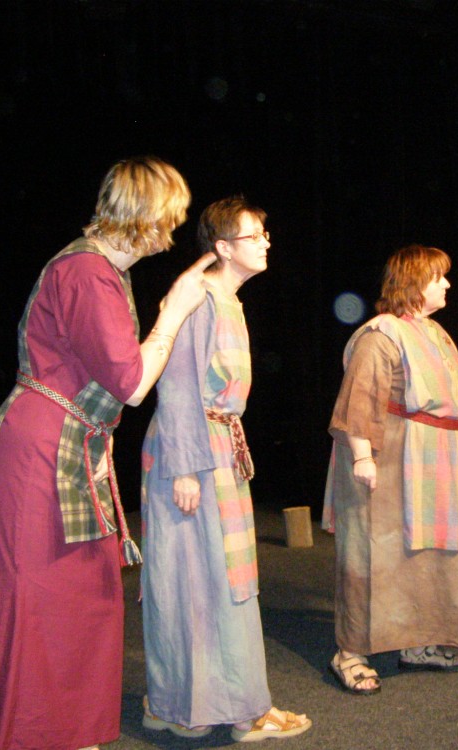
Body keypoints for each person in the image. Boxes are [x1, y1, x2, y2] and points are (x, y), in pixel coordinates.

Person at [0, 156, 216, 750]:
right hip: (41, 451)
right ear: (144, 214)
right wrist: (175, 309)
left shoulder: (102, 272)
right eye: (170, 216)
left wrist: (104, 442)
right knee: (24, 600)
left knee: (75, 602)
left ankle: (63, 733)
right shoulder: (86, 272)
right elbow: (132, 384)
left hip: (68, 443)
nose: (172, 231)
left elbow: (99, 383)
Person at [139, 196, 311, 742]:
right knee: (191, 581)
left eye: (264, 233)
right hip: (191, 449)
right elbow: (176, 383)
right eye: (254, 235)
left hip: (213, 445)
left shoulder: (227, 300)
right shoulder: (201, 298)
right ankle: (210, 708)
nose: (266, 242)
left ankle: (210, 704)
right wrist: (185, 467)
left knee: (218, 579)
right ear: (223, 247)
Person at [322, 244, 458, 696]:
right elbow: (359, 399)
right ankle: (350, 652)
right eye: (438, 277)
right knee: (373, 555)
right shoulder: (382, 334)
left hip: (436, 459)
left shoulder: (435, 332)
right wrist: (363, 456)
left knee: (428, 556)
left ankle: (418, 641)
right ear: (414, 283)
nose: (447, 284)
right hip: (392, 457)